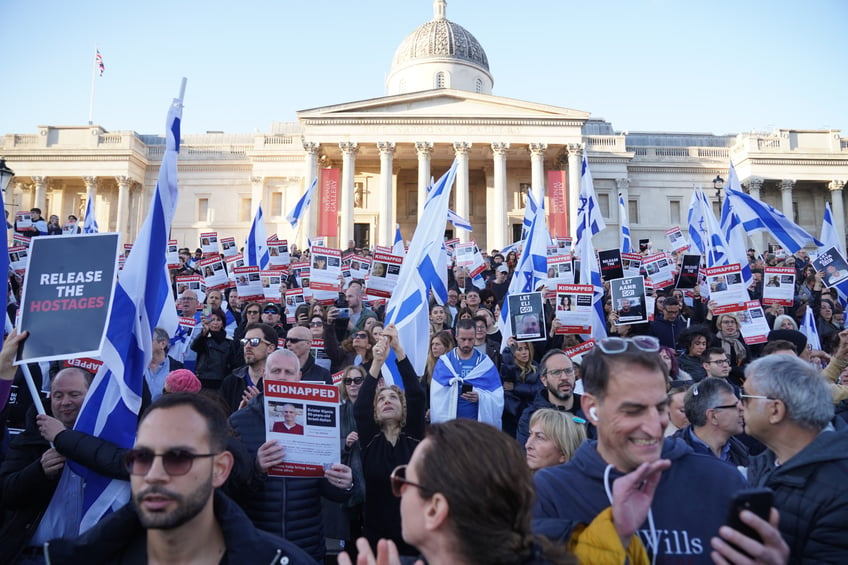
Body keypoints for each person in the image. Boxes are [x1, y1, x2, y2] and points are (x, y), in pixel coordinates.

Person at [532, 335, 749, 564]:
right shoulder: (552, 491)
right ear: (592, 408)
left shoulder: (721, 480)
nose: (654, 426)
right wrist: (615, 535)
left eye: (660, 407)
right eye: (634, 410)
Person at [44, 393, 316, 564]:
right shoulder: (71, 557)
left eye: (178, 458)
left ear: (220, 469)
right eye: (142, 458)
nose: (154, 475)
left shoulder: (281, 560)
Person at [228, 349, 354, 561]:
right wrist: (256, 467)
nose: (282, 377)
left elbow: (330, 491)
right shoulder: (238, 422)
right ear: (265, 376)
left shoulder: (321, 416)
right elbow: (227, 489)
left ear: (299, 378)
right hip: (257, 545)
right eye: (276, 370)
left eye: (289, 372)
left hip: (306, 546)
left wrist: (345, 484)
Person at [743, 354, 848, 561]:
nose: (739, 405)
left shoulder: (841, 490)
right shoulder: (764, 464)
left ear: (775, 410)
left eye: (746, 397)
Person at [353, 326, 425, 555]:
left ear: (403, 409)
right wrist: (376, 363)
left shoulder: (413, 436)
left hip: (413, 538)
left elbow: (416, 394)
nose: (387, 401)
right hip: (377, 539)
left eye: (393, 397)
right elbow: (361, 406)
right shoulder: (370, 440)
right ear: (375, 411)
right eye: (381, 398)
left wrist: (398, 351)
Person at [429, 319, 503, 428]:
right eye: (463, 339)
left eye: (470, 339)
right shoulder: (445, 362)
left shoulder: (485, 364)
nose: (467, 343)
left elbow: (497, 396)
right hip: (450, 428)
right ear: (456, 337)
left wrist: (480, 397)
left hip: (476, 428)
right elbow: (436, 395)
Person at [671, 378, 748, 469]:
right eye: (735, 406)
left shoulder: (739, 450)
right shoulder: (673, 458)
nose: (742, 410)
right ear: (713, 416)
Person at [516, 349, 586, 447]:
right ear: (544, 380)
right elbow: (526, 457)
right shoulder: (530, 418)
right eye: (556, 372)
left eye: (569, 371)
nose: (564, 377)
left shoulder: (590, 411)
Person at [218, 322, 278, 414]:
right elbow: (221, 420)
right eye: (245, 342)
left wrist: (261, 406)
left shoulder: (279, 383)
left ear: (270, 348)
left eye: (254, 341)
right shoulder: (231, 382)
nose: (247, 346)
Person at [500, 338, 542, 437]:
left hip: (532, 415)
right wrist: (507, 351)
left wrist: (516, 387)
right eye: (519, 349)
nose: (524, 352)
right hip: (512, 416)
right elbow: (506, 370)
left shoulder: (537, 367)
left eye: (526, 348)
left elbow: (539, 389)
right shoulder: (510, 369)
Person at [190, 308, 234, 390]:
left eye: (218, 320)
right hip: (204, 380)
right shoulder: (204, 338)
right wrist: (204, 332)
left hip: (222, 380)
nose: (215, 323)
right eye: (212, 320)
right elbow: (194, 347)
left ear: (223, 323)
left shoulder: (230, 341)